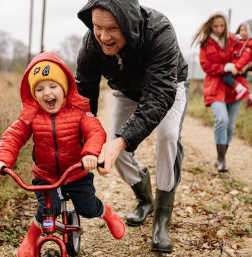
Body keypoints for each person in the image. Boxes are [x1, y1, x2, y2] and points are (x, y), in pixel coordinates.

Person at [75, 0, 189, 253]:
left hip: (168, 86)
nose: (103, 36)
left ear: (127, 24)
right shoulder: (90, 44)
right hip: (125, 91)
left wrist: (122, 141)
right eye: (97, 27)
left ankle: (161, 219)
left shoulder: (160, 31)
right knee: (117, 145)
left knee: (168, 137)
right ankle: (144, 199)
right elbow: (83, 96)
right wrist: (82, 139)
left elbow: (159, 96)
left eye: (112, 29)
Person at [0, 51, 125, 257]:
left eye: (53, 86)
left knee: (87, 207)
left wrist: (90, 154)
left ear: (65, 88)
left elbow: (96, 132)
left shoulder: (78, 112)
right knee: (46, 210)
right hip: (46, 175)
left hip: (76, 173)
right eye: (40, 89)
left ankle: (107, 213)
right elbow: (13, 137)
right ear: (34, 94)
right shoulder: (31, 116)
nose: (47, 93)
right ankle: (31, 239)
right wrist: (1, 160)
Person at [192, 12, 248, 173]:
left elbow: (247, 52)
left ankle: (220, 158)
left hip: (235, 86)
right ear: (210, 26)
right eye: (215, 26)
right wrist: (224, 67)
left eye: (221, 26)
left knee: (230, 126)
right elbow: (206, 65)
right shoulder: (205, 43)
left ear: (226, 26)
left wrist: (244, 64)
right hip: (215, 86)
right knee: (222, 119)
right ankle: (222, 159)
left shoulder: (233, 39)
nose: (218, 29)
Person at [223, 16, 252, 108]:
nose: (242, 32)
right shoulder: (240, 42)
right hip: (239, 66)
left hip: (239, 67)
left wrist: (237, 68)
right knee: (241, 80)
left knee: (226, 77)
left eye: (245, 30)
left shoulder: (249, 43)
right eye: (241, 30)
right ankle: (250, 96)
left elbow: (245, 57)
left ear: (250, 32)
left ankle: (240, 89)